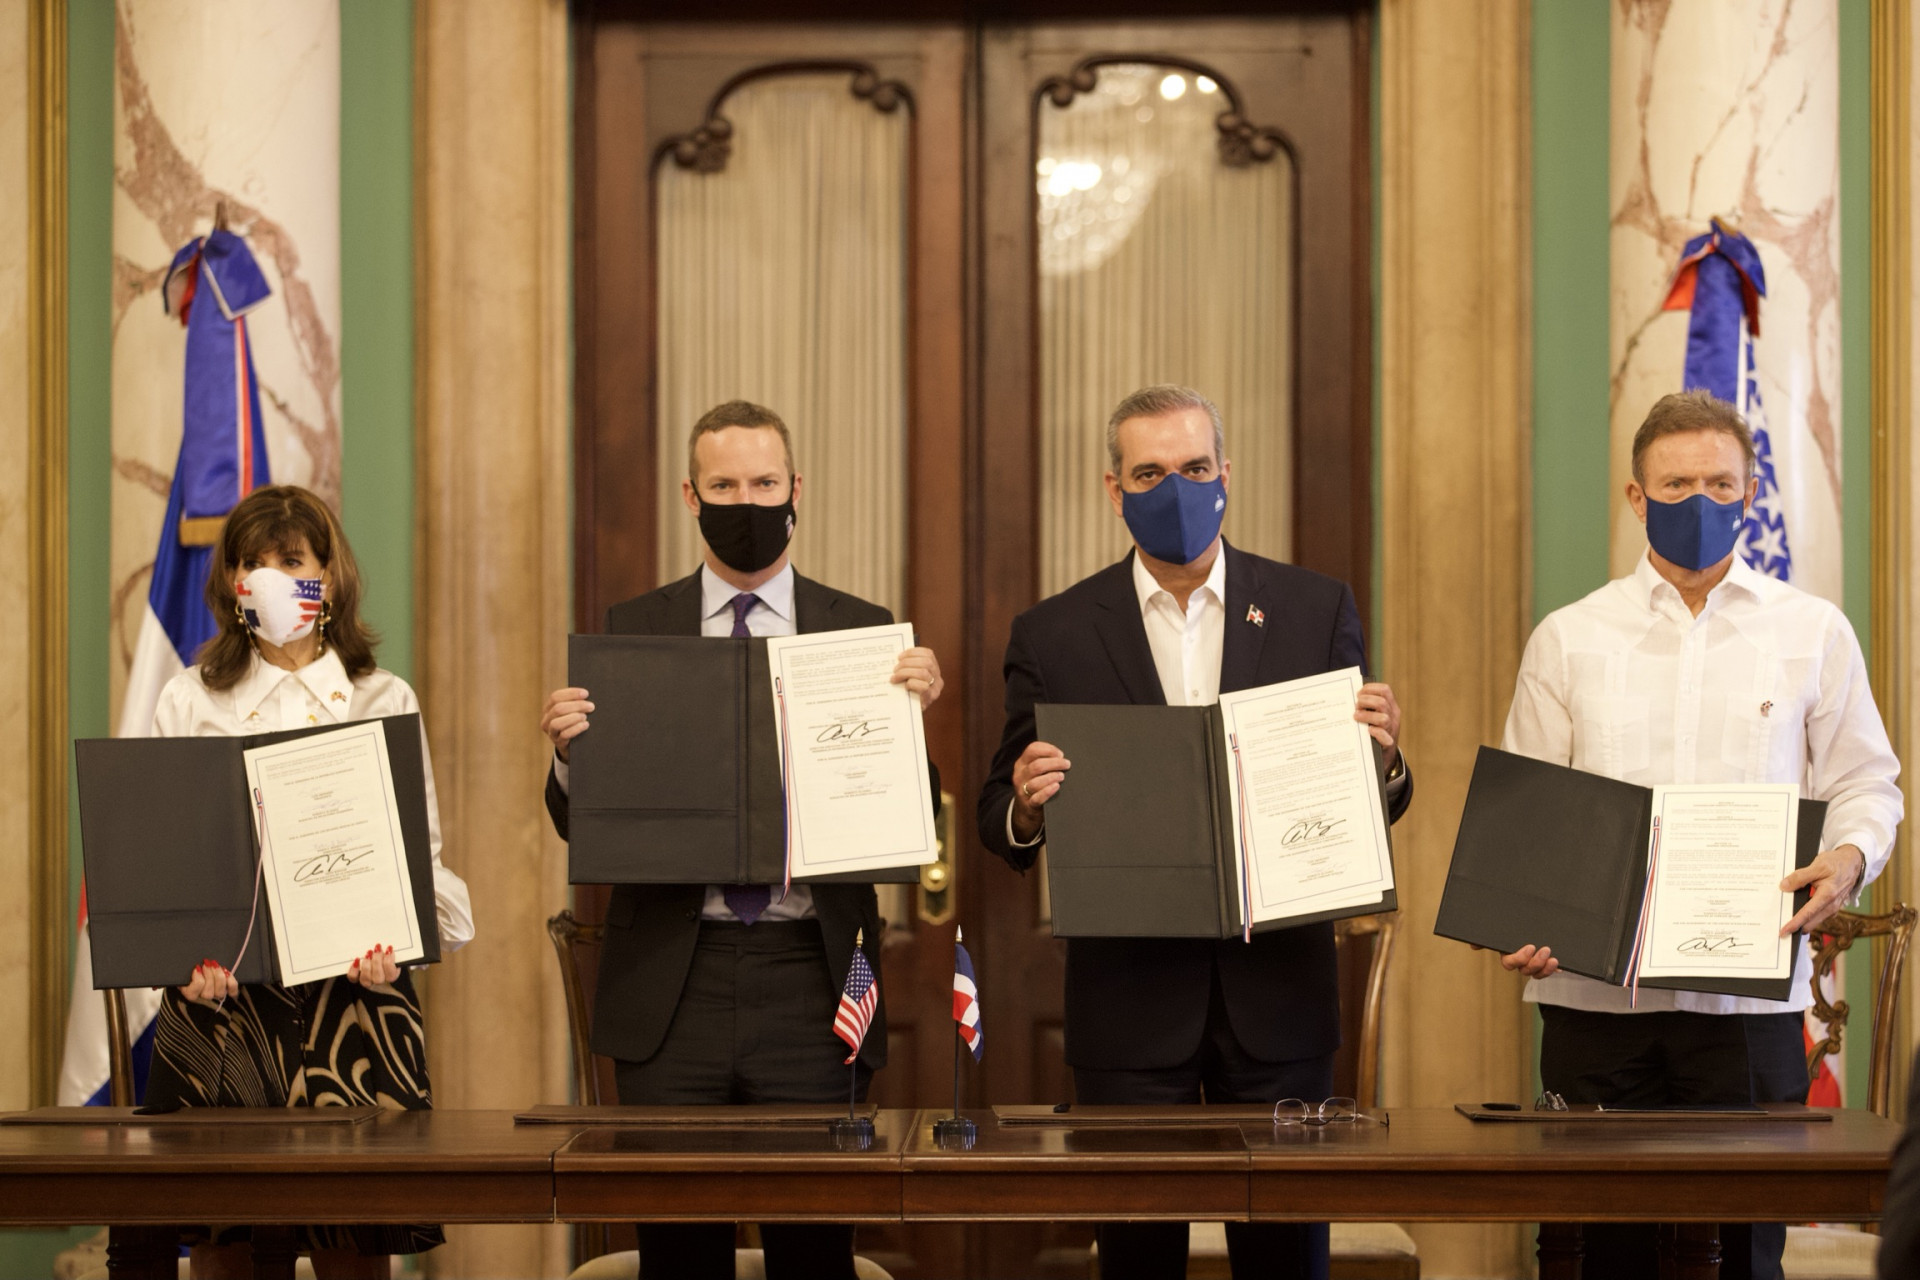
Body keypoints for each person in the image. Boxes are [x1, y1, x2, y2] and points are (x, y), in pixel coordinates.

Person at [976, 384, 1411, 1280]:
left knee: (1286, 1259)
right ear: (1114, 489)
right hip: (1129, 1009)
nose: (1175, 488)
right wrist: (1026, 804)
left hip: (1280, 999)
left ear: (1226, 475)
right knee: (1137, 1257)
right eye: (1150, 473)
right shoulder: (1054, 633)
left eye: (1194, 467)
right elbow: (997, 815)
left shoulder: (1313, 609)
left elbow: (1371, 800)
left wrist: (1386, 760)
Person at [1494, 390, 1903, 1280]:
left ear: (1750, 493)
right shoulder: (1569, 638)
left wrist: (1847, 858)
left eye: (1720, 484)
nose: (1700, 502)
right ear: (1637, 498)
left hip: (1747, 1014)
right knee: (1606, 1257)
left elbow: (1867, 782)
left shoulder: (1812, 632)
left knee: (1745, 1254)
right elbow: (1530, 818)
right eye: (1676, 485)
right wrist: (1523, 916)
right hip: (1597, 1007)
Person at [540, 399, 943, 1280]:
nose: (746, 502)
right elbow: (585, 825)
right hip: (671, 985)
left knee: (815, 1253)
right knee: (679, 1256)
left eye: (764, 483)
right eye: (724, 486)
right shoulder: (634, 629)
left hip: (813, 979)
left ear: (797, 489)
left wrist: (909, 728)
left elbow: (913, 819)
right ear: (691, 496)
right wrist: (572, 760)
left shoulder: (861, 629)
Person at [145, 484, 474, 1279]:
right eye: (251, 563)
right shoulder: (189, 699)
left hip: (354, 1002)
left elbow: (419, 862)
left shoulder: (383, 697)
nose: (268, 578)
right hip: (224, 1004)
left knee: (355, 1243)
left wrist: (398, 942)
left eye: (290, 561)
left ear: (328, 576)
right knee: (224, 1243)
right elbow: (163, 870)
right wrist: (184, 961)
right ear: (230, 582)